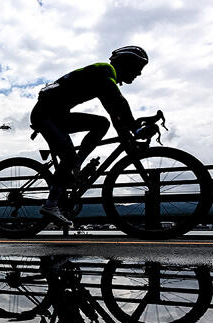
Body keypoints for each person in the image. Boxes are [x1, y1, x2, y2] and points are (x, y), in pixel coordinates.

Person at [30, 46, 149, 226]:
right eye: (138, 68)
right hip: (45, 115)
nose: (139, 74)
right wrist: (134, 128)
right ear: (127, 64)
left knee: (101, 124)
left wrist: (128, 136)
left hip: (56, 115)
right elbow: (119, 103)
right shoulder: (105, 71)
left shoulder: (106, 81)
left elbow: (114, 114)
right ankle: (51, 204)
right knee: (69, 158)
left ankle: (75, 166)